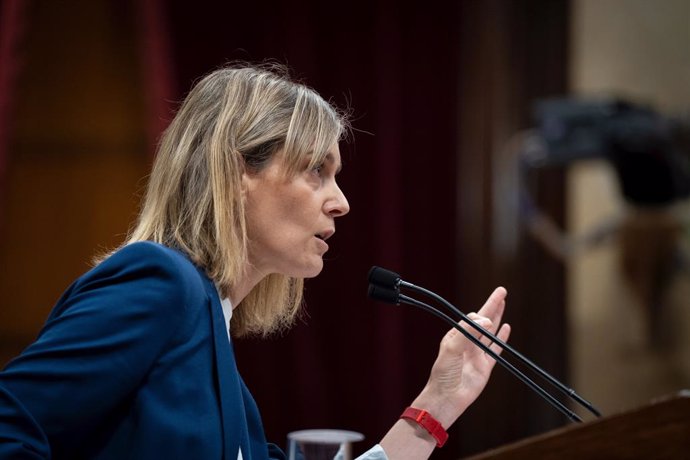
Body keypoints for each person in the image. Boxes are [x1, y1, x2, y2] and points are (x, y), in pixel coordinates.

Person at [0, 63, 511, 459]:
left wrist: (437, 405)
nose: (341, 201)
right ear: (237, 170)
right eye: (316, 170)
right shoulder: (158, 282)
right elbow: (11, 419)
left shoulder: (219, 359)